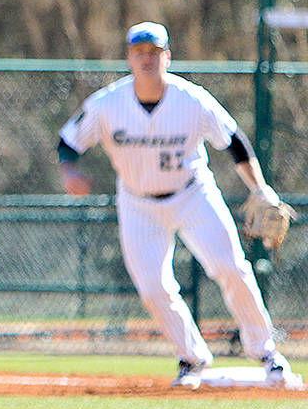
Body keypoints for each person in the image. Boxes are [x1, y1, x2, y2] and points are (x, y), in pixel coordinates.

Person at [58, 22, 300, 390]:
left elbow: (233, 140)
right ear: (128, 58)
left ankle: (267, 353)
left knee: (231, 267)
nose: (146, 59)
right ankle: (191, 358)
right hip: (138, 202)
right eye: (139, 53)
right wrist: (68, 172)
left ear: (167, 57)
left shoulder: (191, 99)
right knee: (153, 287)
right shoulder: (108, 104)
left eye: (154, 52)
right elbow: (68, 142)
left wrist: (260, 188)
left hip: (193, 193)